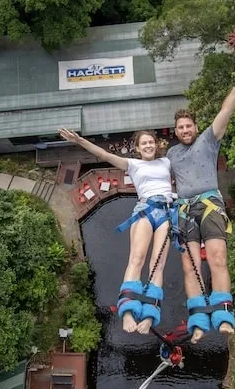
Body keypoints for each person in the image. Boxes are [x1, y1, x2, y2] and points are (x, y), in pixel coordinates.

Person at [169, 56, 235, 344]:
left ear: (195, 126)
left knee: (217, 257)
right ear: (175, 131)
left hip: (208, 204)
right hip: (183, 209)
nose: (185, 130)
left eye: (188, 126)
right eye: (180, 127)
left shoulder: (208, 139)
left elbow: (225, 111)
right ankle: (199, 319)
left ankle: (223, 314)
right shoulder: (171, 155)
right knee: (189, 266)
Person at [59, 128, 172, 334]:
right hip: (145, 210)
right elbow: (103, 155)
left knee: (159, 264)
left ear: (156, 145)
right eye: (144, 143)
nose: (148, 146)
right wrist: (79, 140)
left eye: (151, 142)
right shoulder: (133, 164)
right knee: (137, 259)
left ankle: (149, 314)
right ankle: (128, 311)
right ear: (137, 148)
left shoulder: (166, 162)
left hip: (166, 212)